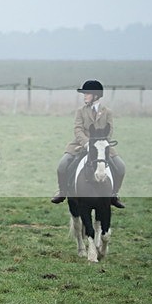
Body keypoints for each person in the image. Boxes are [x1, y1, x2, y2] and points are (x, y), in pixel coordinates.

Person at [51, 80, 125, 208]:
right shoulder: (80, 111)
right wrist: (87, 143)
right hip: (80, 145)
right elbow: (77, 129)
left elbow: (110, 130)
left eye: (87, 93)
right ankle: (62, 191)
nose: (84, 96)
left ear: (96, 95)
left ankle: (114, 194)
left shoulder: (107, 112)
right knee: (62, 166)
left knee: (121, 167)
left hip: (102, 146)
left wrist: (100, 144)